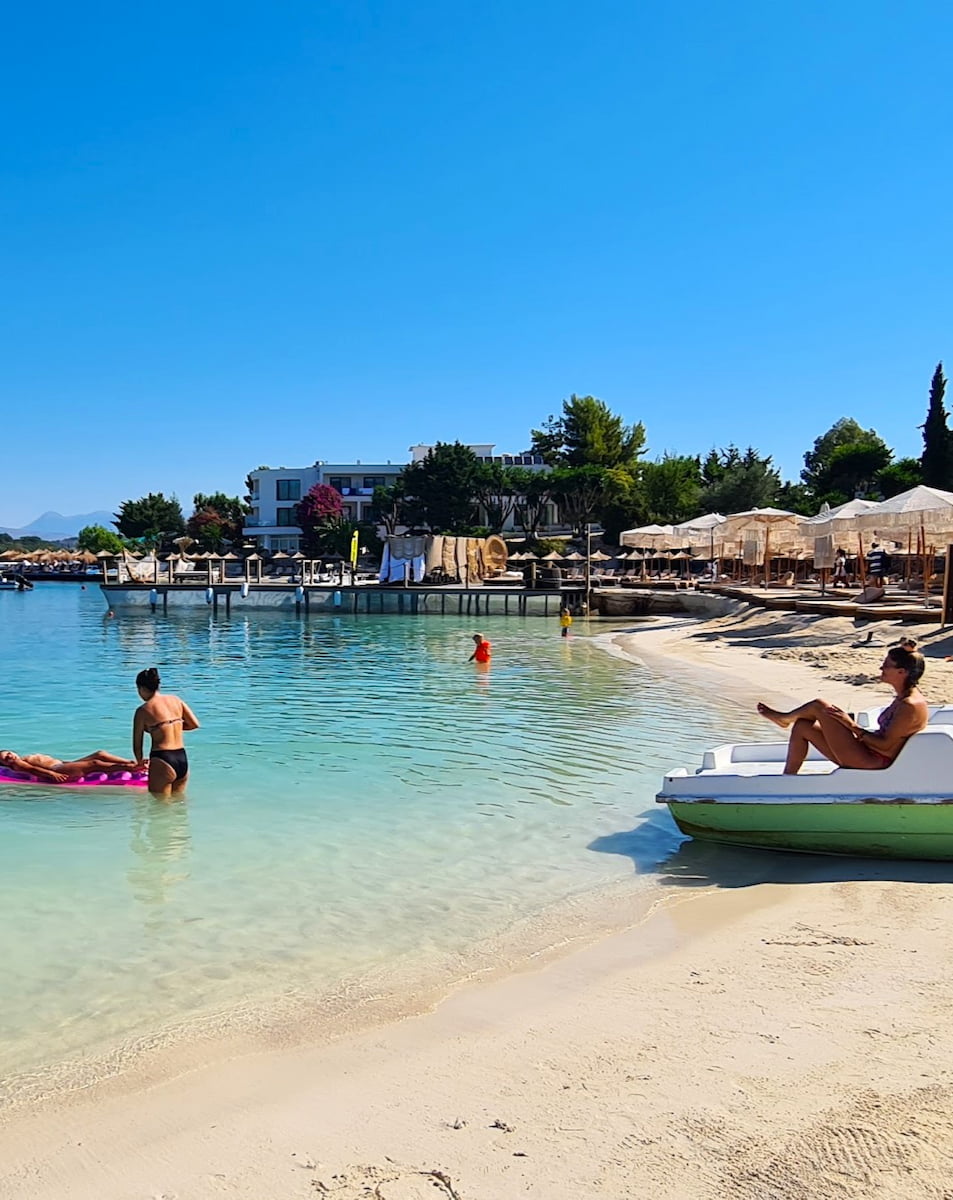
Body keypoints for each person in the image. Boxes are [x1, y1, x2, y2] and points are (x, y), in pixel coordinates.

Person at [756, 646, 927, 775]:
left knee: (819, 705)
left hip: (872, 760)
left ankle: (784, 719)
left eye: (886, 665)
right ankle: (788, 778)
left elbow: (885, 745)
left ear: (901, 672)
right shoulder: (904, 697)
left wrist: (850, 724)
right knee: (803, 726)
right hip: (866, 752)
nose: (881, 669)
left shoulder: (909, 705)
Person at [133, 667, 200, 796]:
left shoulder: (142, 710)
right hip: (181, 758)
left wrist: (140, 762)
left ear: (141, 688)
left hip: (162, 759)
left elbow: (137, 745)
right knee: (179, 803)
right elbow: (194, 724)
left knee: (159, 805)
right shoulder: (176, 700)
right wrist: (169, 727)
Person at [0, 748, 139, 784]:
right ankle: (129, 767)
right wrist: (52, 774)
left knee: (100, 754)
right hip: (57, 769)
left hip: (63, 764)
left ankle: (131, 763)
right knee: (95, 764)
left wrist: (74, 763)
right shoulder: (17, 763)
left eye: (8, 753)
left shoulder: (23, 758)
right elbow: (32, 769)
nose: (10, 757)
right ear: (6, 764)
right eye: (6, 759)